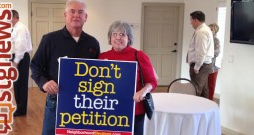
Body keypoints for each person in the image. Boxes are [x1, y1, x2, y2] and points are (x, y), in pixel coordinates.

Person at [30, 0, 100, 134]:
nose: (76, 15)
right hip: (56, 101)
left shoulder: (93, 43)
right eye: (72, 11)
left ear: (86, 17)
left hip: (84, 103)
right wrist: (44, 83)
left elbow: (97, 73)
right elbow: (35, 65)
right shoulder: (49, 40)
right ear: (65, 15)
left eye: (81, 12)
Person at [98, 20, 158, 135]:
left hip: (134, 109)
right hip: (109, 109)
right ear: (110, 38)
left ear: (129, 38)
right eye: (114, 34)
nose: (118, 37)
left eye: (122, 34)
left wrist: (143, 91)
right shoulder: (102, 57)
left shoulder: (139, 55)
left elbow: (152, 81)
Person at [187, 11, 214, 99]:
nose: (190, 22)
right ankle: (205, 109)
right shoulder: (204, 29)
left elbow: (201, 52)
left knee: (196, 90)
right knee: (204, 90)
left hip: (201, 66)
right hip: (204, 65)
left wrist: (196, 67)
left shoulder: (201, 32)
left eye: (191, 20)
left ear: (196, 20)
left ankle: (193, 110)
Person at [11, 10, 33, 117]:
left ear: (15, 16)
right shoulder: (16, 28)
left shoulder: (20, 28)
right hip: (19, 58)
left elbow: (21, 46)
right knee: (17, 83)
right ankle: (20, 107)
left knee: (21, 84)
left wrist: (16, 62)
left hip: (21, 58)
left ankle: (21, 109)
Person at [208, 23, 221, 100]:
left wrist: (208, 53)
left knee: (211, 86)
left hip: (213, 68)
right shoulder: (204, 39)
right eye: (208, 29)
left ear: (215, 31)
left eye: (211, 29)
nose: (209, 30)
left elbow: (217, 52)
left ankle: (209, 101)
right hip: (203, 67)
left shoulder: (216, 41)